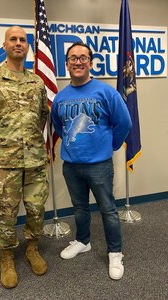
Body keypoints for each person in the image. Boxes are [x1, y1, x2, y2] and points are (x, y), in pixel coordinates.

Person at [0, 26, 49, 289]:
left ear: (27, 47)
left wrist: (30, 143)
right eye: (13, 39)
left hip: (35, 159)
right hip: (5, 161)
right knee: (5, 213)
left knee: (37, 209)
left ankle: (32, 248)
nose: (18, 43)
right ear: (4, 45)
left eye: (23, 40)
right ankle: (6, 257)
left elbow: (41, 116)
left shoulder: (37, 81)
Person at [51, 42, 132, 280]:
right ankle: (83, 241)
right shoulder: (60, 97)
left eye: (83, 58)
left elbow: (124, 123)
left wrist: (111, 146)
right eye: (73, 58)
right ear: (66, 64)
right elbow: (59, 126)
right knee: (79, 208)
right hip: (71, 165)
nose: (78, 62)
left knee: (108, 210)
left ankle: (115, 252)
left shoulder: (106, 92)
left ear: (90, 62)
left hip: (99, 165)